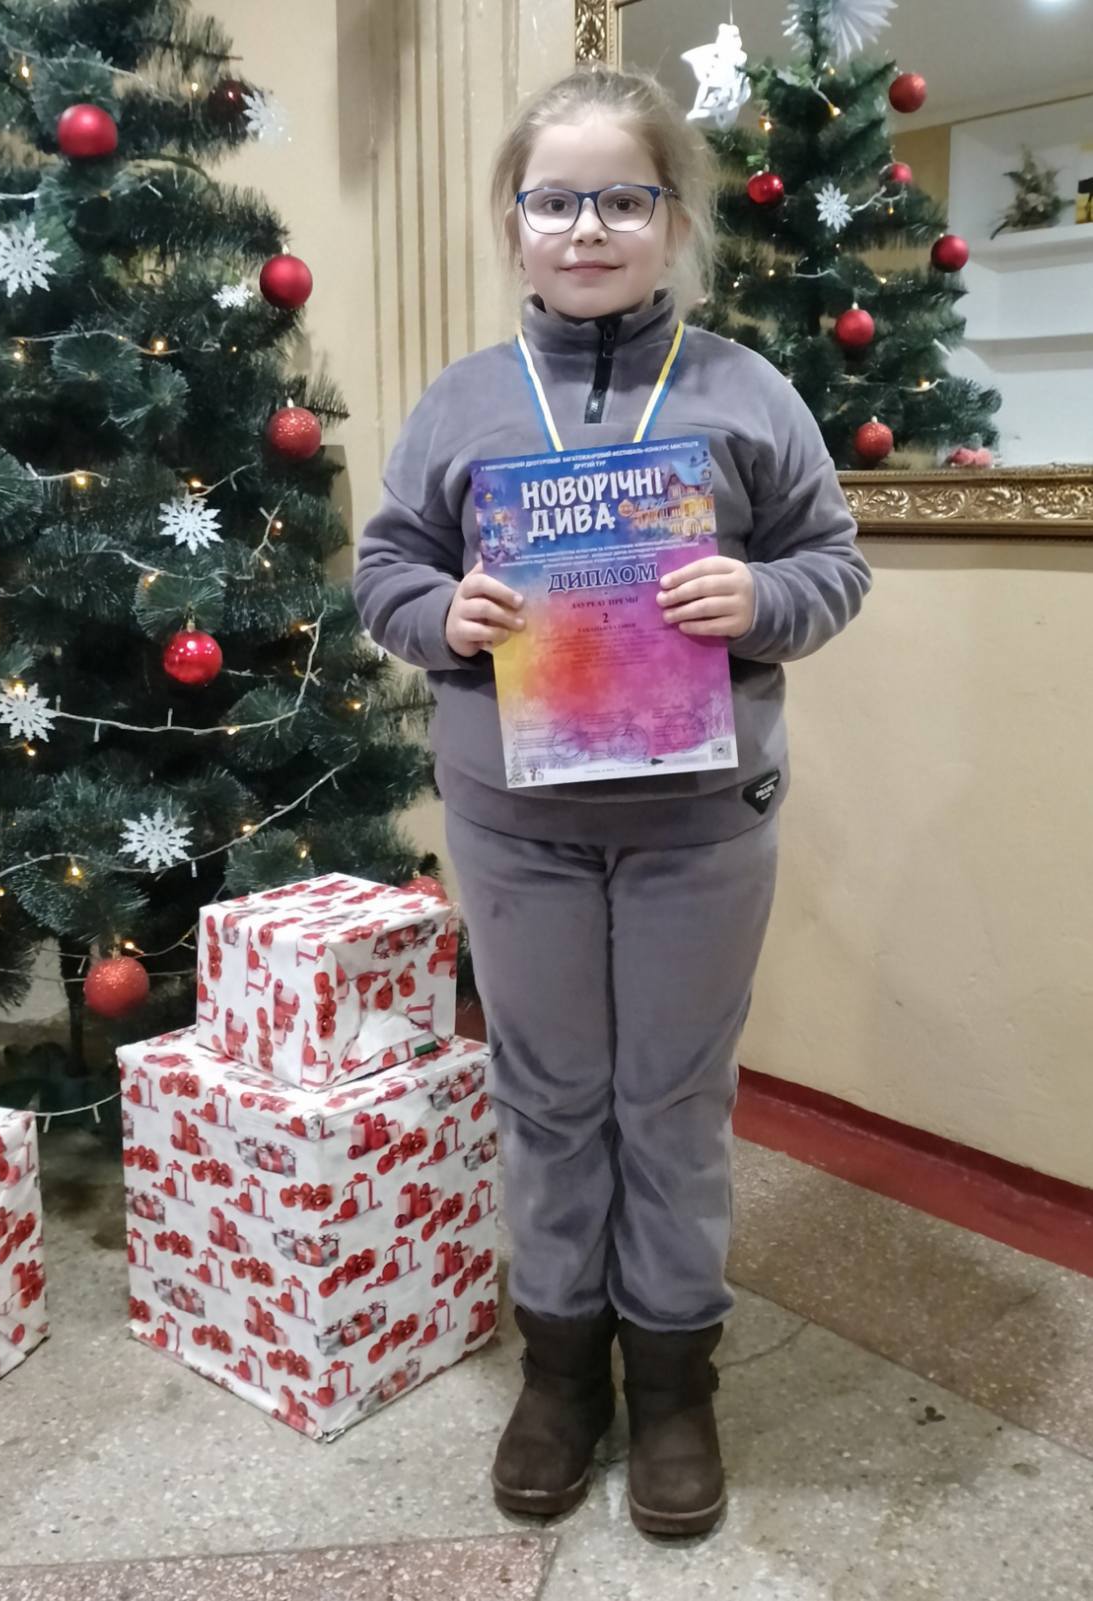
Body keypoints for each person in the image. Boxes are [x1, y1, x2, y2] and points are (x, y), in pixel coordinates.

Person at [353, 65, 872, 1537]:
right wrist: (442, 614)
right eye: (554, 202)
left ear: (672, 221)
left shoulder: (746, 390)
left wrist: (760, 596)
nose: (586, 229)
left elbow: (832, 562)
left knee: (673, 1099)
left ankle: (675, 1377)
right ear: (514, 224)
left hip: (698, 822)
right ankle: (562, 1367)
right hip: (514, 821)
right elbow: (385, 568)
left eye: (622, 200)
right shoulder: (461, 401)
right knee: (548, 1092)